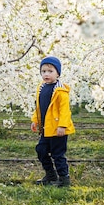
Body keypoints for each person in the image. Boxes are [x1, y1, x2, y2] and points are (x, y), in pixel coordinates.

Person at [30, 56, 75, 187]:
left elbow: (65, 110)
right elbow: (38, 107)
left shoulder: (61, 91)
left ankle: (64, 178)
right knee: (41, 150)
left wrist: (62, 126)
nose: (46, 74)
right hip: (46, 128)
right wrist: (35, 120)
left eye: (50, 71)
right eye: (43, 71)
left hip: (57, 129)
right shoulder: (41, 88)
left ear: (58, 73)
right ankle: (50, 175)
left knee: (58, 154)